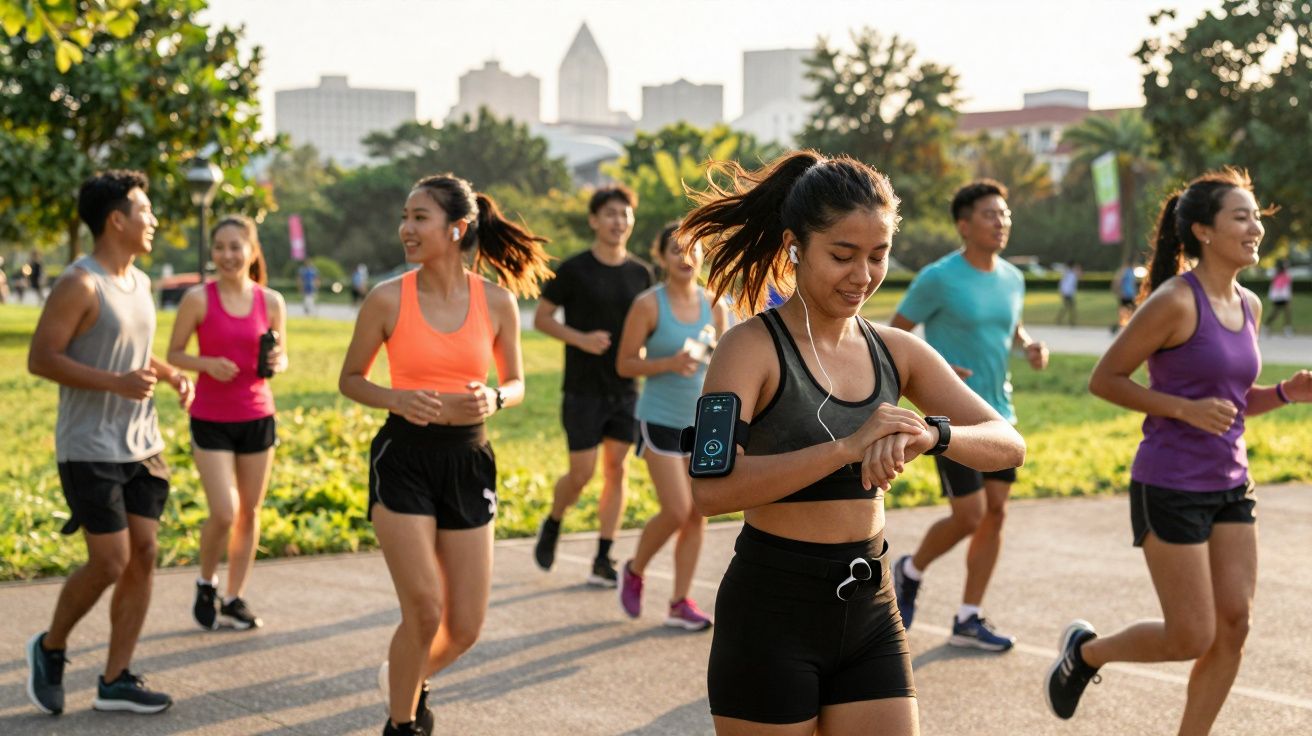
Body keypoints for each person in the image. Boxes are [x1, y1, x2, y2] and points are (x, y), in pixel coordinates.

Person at [683, 150, 1025, 735]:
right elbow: (710, 491)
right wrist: (845, 447)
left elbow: (1008, 442)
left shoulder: (897, 350)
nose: (862, 276)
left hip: (869, 609)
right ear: (796, 246)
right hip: (772, 612)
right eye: (842, 256)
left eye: (878, 256)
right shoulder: (748, 349)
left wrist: (930, 433)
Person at [1046, 168, 1311, 731]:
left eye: (1255, 216)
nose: (1255, 227)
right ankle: (1085, 653)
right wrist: (1182, 408)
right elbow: (1106, 378)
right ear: (1204, 231)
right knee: (1192, 634)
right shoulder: (1174, 301)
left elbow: (1233, 403)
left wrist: (1288, 393)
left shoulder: (1250, 304)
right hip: (1170, 484)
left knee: (1234, 625)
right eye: (1241, 217)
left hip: (1231, 483)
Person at [339, 173, 552, 736]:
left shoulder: (499, 303)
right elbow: (351, 378)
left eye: (419, 218)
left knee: (464, 628)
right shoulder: (387, 298)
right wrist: (396, 398)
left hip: (468, 460)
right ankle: (402, 723)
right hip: (403, 458)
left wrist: (496, 396)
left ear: (456, 229)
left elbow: (518, 383)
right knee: (425, 609)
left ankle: (405, 676)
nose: (405, 229)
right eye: (405, 217)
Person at [25, 170, 194, 716]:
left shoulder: (140, 282)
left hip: (141, 442)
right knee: (110, 560)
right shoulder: (81, 283)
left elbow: (128, 352)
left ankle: (116, 679)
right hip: (89, 446)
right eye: (145, 211)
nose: (154, 221)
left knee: (143, 553)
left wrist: (167, 374)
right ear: (116, 219)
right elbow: (42, 358)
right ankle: (50, 647)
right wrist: (117, 384)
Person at [888, 179, 1048, 651]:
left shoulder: (1013, 278)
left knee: (993, 514)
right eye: (989, 215)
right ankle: (910, 569)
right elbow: (896, 335)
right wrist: (935, 368)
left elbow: (1011, 326)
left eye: (1005, 214)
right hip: (953, 415)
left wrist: (1029, 345)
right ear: (963, 224)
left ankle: (968, 616)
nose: (1001, 222)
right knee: (970, 513)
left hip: (1000, 414)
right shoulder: (938, 277)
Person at [166, 215, 287, 631]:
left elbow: (280, 355)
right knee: (224, 511)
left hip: (257, 415)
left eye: (237, 247)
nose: (228, 255)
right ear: (212, 252)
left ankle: (234, 597)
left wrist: (277, 361)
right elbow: (175, 353)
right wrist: (207, 364)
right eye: (220, 247)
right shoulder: (199, 299)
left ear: (252, 251)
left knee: (249, 513)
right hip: (211, 417)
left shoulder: (271, 301)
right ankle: (206, 582)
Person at [532, 185, 653, 587]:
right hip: (582, 388)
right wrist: (581, 339)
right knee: (581, 473)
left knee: (616, 471)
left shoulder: (641, 274)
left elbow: (650, 326)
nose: (619, 221)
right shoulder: (574, 269)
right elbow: (542, 318)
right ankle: (554, 521)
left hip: (625, 389)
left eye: (625, 214)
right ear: (594, 220)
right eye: (610, 214)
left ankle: (604, 555)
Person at [614, 222, 729, 631]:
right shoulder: (648, 305)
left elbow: (725, 360)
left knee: (698, 513)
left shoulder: (714, 303)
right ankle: (634, 568)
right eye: (676, 250)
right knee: (677, 509)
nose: (686, 257)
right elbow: (624, 363)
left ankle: (680, 602)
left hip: (702, 422)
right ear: (661, 257)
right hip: (659, 417)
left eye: (694, 249)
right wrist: (668, 363)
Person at [1265, 259, 1293, 337]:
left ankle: (1287, 329)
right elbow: (1274, 287)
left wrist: (1289, 297)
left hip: (1285, 296)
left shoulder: (1287, 275)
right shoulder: (1276, 274)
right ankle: (1266, 326)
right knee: (1275, 313)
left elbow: (1288, 287)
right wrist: (1272, 296)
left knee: (1287, 313)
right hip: (1277, 297)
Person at [1112, 261, 1139, 333]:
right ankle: (1119, 326)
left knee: (1131, 311)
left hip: (1130, 295)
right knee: (1125, 311)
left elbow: (1133, 284)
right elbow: (1118, 282)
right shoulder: (1125, 272)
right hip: (1125, 295)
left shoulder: (1130, 272)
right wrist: (1119, 292)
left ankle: (1127, 325)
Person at [1056, 260, 1081, 326]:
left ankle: (1068, 321)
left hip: (1070, 293)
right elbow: (1063, 284)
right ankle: (1068, 321)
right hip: (1066, 293)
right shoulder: (1067, 273)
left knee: (1068, 307)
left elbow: (1080, 275)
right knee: (1068, 307)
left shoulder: (1072, 274)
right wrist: (1062, 292)